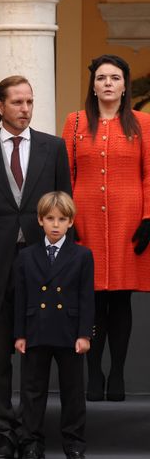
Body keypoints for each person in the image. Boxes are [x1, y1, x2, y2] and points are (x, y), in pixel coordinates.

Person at [0, 75, 71, 459]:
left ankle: (30, 434)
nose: (25, 109)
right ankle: (2, 433)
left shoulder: (53, 148)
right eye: (18, 102)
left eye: (30, 102)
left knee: (36, 356)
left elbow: (64, 208)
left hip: (41, 270)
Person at [62, 54, 150, 402]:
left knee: (121, 299)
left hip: (130, 219)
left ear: (125, 85)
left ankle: (117, 374)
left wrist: (149, 217)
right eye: (102, 78)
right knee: (92, 299)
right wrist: (66, 219)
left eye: (115, 78)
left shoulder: (142, 123)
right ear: (93, 84)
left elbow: (149, 173)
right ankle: (94, 372)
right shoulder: (76, 120)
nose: (108, 83)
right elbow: (65, 173)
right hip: (86, 220)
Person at [13, 191, 93, 459]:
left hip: (69, 331)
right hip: (36, 328)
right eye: (50, 218)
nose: (56, 224)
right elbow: (20, 297)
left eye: (62, 219)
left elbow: (86, 297)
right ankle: (32, 444)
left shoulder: (82, 255)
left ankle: (74, 445)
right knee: (32, 391)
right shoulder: (27, 255)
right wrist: (19, 333)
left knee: (73, 392)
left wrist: (84, 333)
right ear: (40, 220)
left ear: (71, 222)